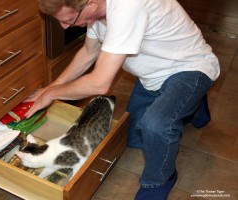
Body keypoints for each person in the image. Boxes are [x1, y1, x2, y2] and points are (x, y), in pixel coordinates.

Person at [25, 0, 220, 199]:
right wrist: (51, 87)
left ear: (90, 3)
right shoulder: (97, 12)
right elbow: (88, 53)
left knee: (155, 126)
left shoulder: (127, 6)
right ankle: (190, 103)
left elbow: (99, 83)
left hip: (189, 68)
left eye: (68, 20)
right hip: (151, 77)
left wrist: (50, 95)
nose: (64, 27)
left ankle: (161, 179)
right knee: (133, 139)